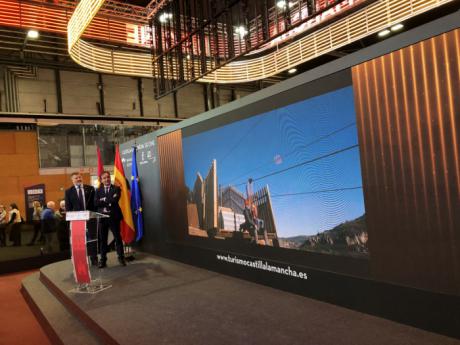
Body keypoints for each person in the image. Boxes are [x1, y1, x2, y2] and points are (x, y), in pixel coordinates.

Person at [64, 172, 98, 265]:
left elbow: (95, 205)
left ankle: (94, 258)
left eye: (79, 177)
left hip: (90, 219)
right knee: (80, 241)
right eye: (76, 178)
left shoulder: (90, 189)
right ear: (72, 180)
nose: (78, 179)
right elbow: (68, 208)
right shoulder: (68, 192)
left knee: (92, 239)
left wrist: (94, 214)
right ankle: (81, 260)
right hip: (77, 221)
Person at [94, 171, 126, 267]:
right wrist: (108, 201)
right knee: (103, 240)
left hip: (114, 217)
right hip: (102, 218)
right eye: (104, 178)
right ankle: (103, 260)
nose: (107, 179)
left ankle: (121, 258)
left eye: (108, 177)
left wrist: (102, 200)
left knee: (118, 238)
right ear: (101, 180)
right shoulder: (98, 190)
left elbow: (114, 200)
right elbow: (96, 203)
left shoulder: (116, 188)